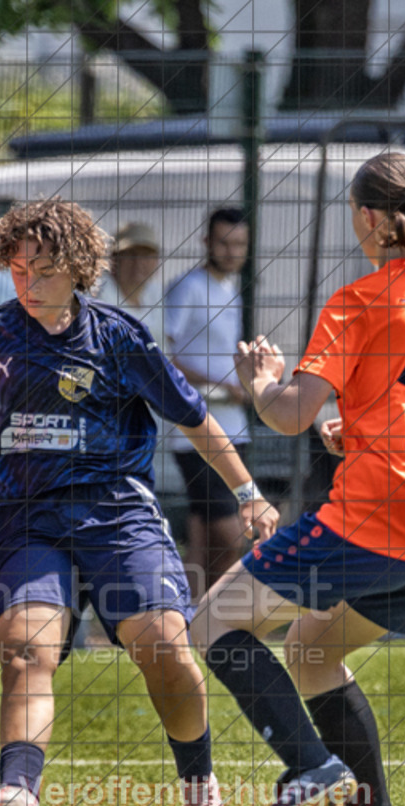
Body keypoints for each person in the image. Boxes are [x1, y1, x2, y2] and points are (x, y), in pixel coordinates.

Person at [0, 199, 279, 806]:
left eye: (44, 269)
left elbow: (193, 420)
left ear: (79, 268)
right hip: (28, 520)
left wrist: (247, 493)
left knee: (163, 648)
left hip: (117, 514)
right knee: (26, 651)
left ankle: (201, 795)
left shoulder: (118, 336)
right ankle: (19, 797)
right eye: (18, 269)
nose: (28, 282)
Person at [190, 151, 405, 806]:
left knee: (212, 623)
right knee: (312, 649)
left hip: (373, 513)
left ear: (366, 217)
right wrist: (355, 430)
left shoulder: (357, 300)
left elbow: (289, 416)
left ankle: (308, 766)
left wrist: (261, 383)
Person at [164, 208, 252, 598]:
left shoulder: (232, 289)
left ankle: (191, 614)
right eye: (224, 243)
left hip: (235, 427)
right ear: (206, 242)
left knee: (203, 537)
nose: (232, 252)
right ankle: (217, 612)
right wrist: (221, 385)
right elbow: (164, 354)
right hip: (195, 432)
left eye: (239, 244)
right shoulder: (189, 287)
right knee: (233, 534)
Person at [96, 221, 164, 343]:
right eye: (130, 254)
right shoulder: (97, 293)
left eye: (146, 255)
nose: (138, 262)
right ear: (113, 259)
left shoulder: (156, 294)